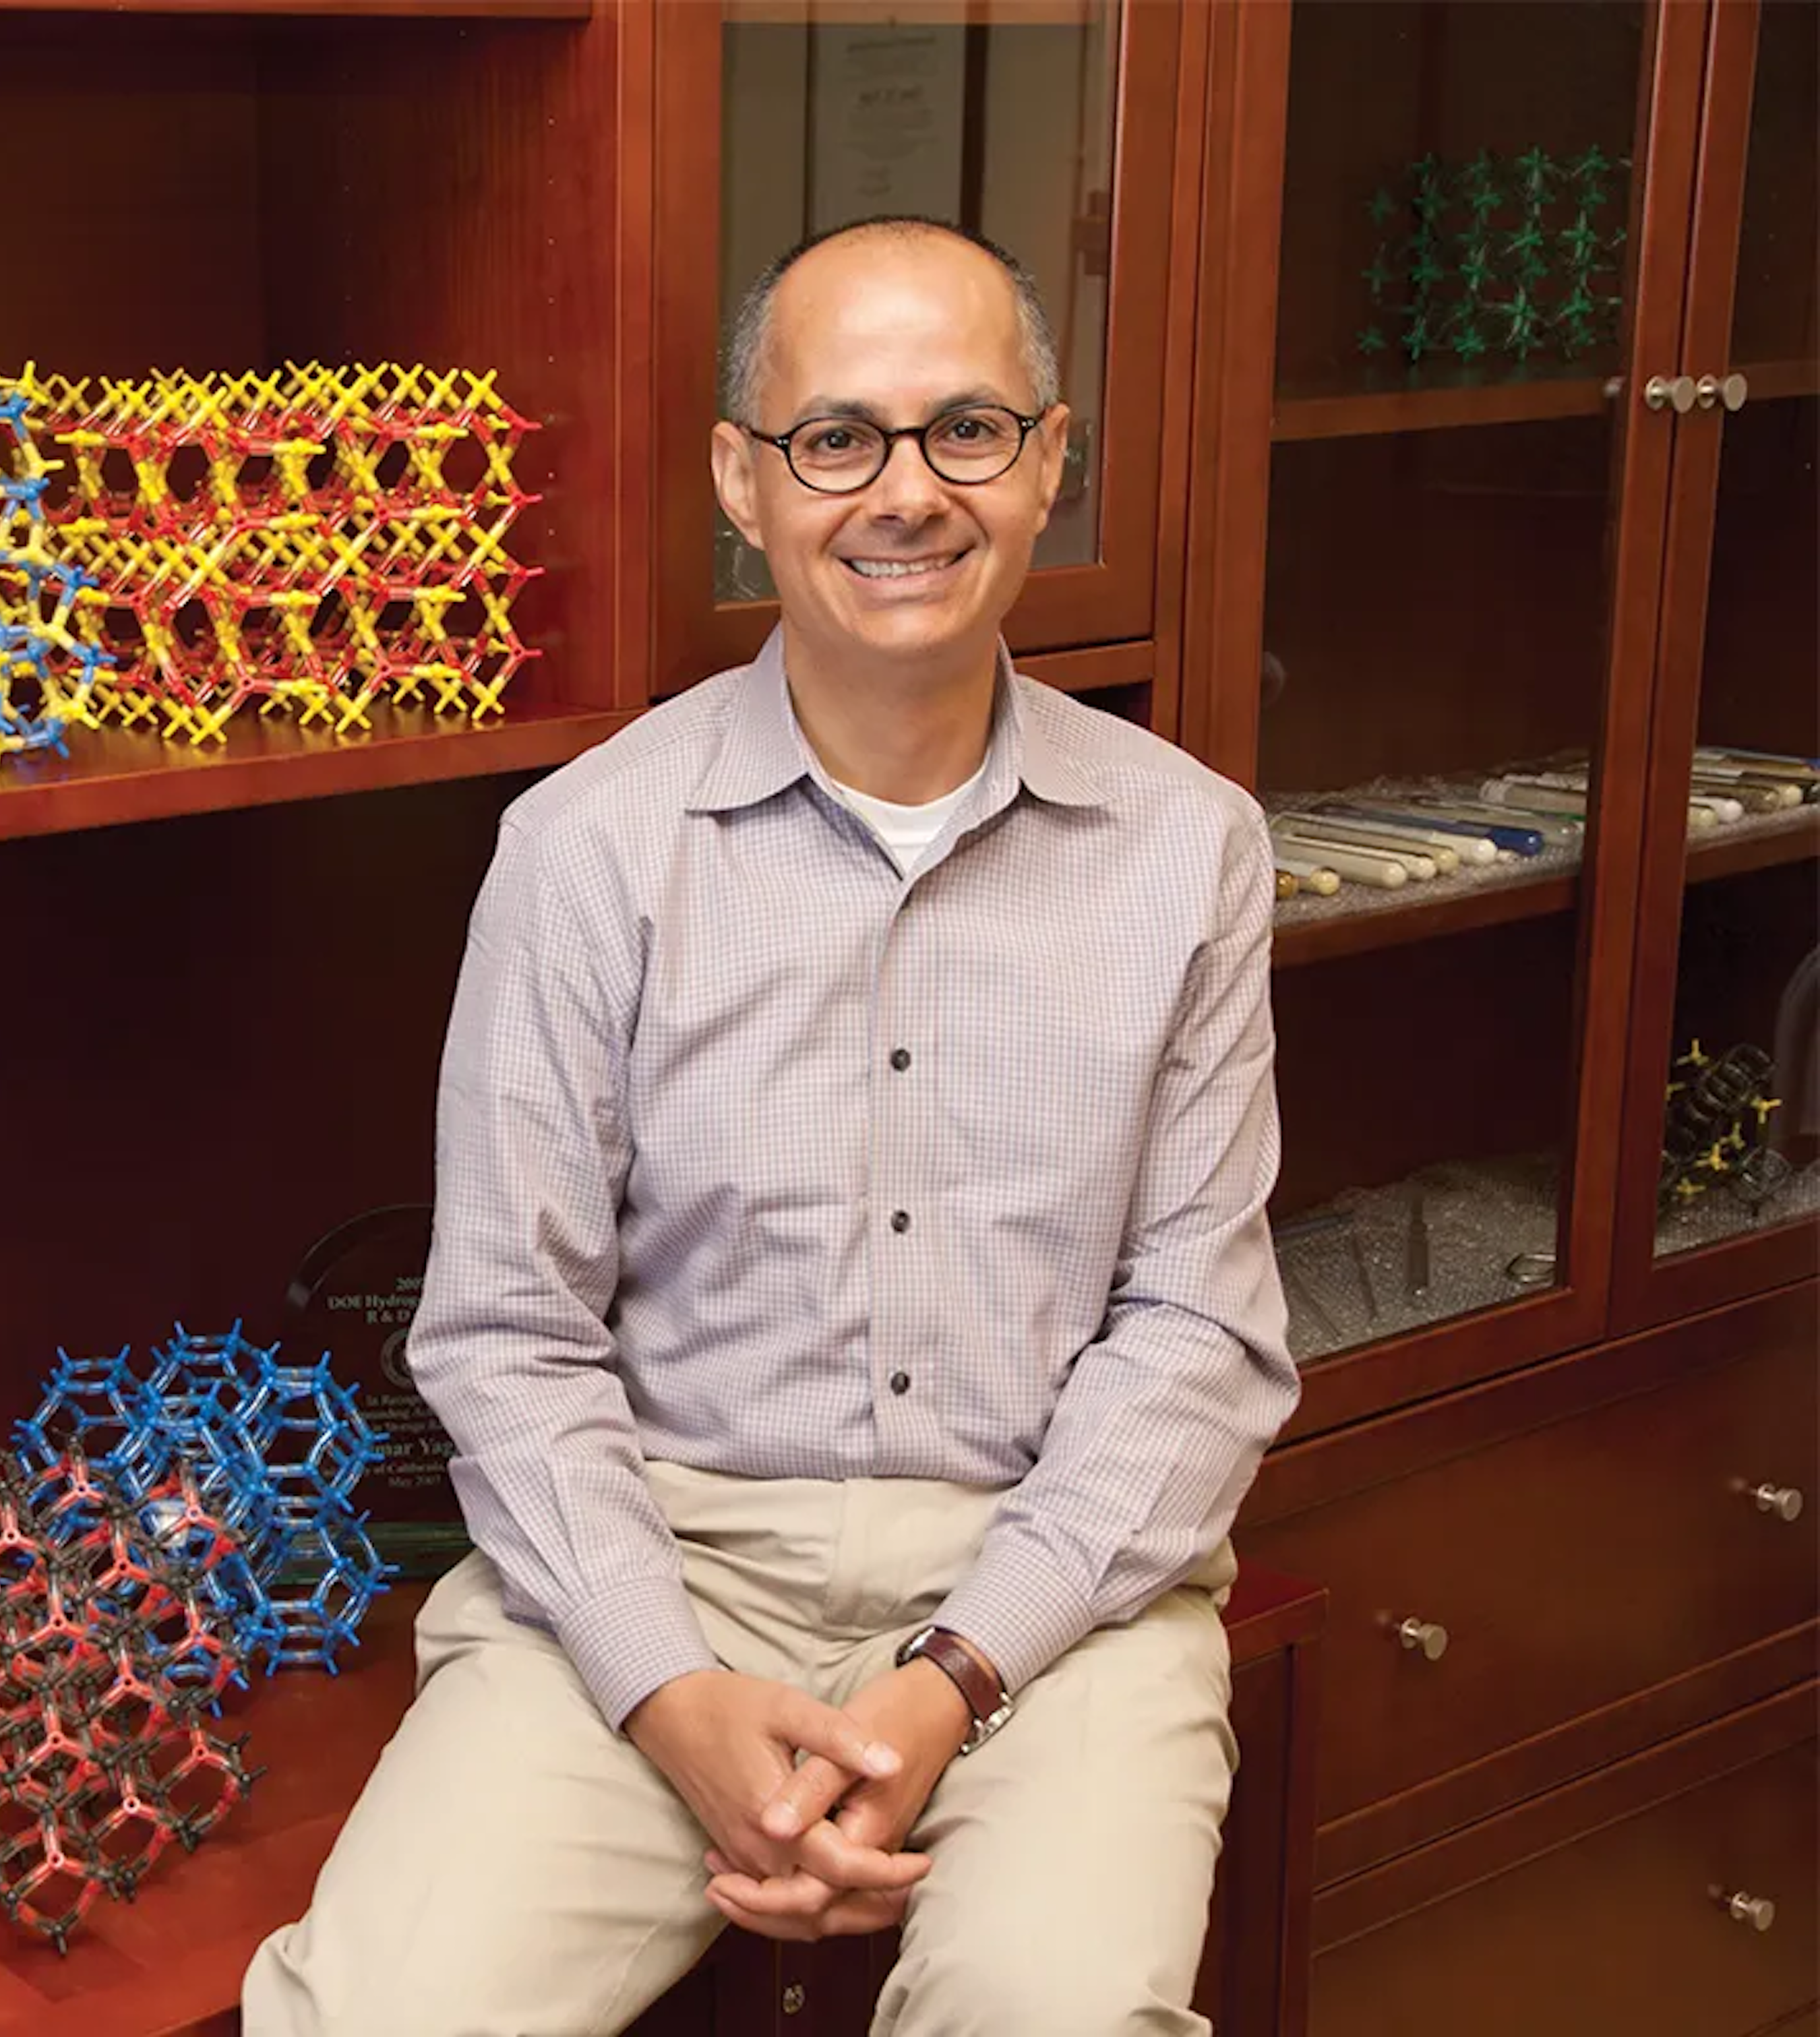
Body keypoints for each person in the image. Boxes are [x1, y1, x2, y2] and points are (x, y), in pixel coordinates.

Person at [239, 216, 1299, 2037]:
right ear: (744, 480)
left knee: (1053, 2013)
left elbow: (1195, 1334)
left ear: (1048, 462)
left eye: (966, 429)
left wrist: (950, 1675)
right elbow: (505, 1333)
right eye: (838, 438)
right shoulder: (585, 850)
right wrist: (667, 1688)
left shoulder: (1187, 846)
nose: (905, 491)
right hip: (658, 1560)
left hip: (1051, 1592)